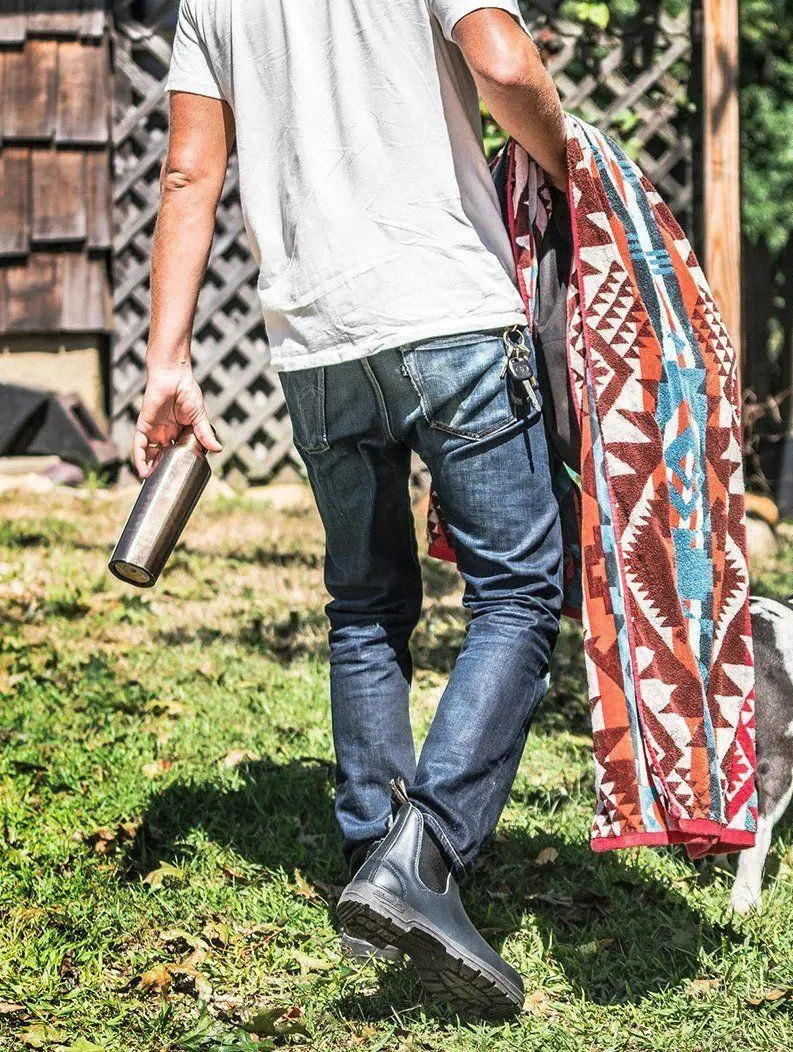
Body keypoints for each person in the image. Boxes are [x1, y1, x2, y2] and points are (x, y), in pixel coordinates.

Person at [134, 0, 568, 1016]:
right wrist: (565, 167)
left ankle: (374, 857)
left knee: (367, 604)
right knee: (515, 593)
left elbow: (190, 172)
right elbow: (501, 62)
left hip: (317, 341)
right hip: (448, 312)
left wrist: (166, 360)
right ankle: (421, 858)